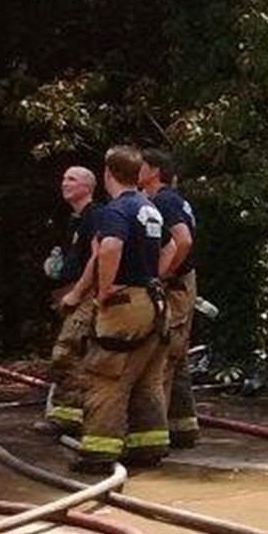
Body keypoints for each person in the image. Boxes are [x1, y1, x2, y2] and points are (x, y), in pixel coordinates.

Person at [73, 146, 169, 473]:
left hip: (126, 304)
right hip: (154, 301)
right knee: (147, 379)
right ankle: (149, 446)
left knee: (106, 376)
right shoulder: (149, 208)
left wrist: (103, 289)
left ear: (107, 174)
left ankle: (99, 454)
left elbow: (111, 247)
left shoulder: (116, 210)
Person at [141, 149, 200, 449]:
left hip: (175, 287)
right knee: (177, 358)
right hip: (181, 285)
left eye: (141, 166)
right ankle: (182, 426)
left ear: (153, 171)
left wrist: (162, 274)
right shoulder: (170, 200)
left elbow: (183, 240)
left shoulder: (164, 200)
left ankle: (156, 433)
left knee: (163, 357)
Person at [41, 165, 101, 435]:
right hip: (69, 291)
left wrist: (78, 292)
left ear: (88, 187)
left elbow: (99, 258)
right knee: (71, 352)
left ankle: (68, 418)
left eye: (72, 179)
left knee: (68, 353)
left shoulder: (94, 217)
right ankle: (70, 413)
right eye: (64, 178)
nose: (64, 183)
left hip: (84, 294)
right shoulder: (74, 220)